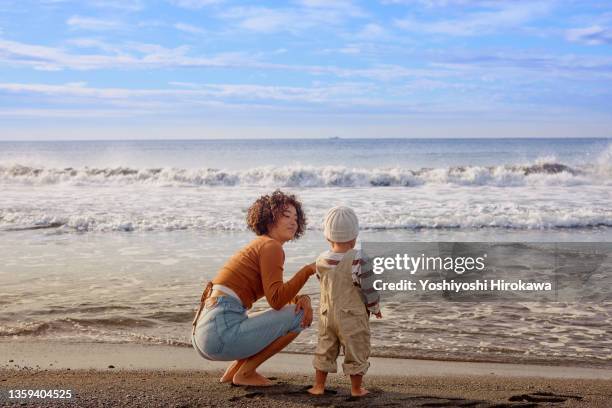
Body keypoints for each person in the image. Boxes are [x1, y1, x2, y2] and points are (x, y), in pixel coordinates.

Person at [192, 190, 316, 386]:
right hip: (220, 332)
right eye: (286, 216)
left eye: (296, 217)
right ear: (269, 218)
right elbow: (276, 301)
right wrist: (308, 270)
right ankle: (246, 372)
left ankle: (235, 372)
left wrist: (303, 298)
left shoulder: (261, 245)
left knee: (294, 310)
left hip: (206, 333)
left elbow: (277, 293)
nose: (294, 222)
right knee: (298, 316)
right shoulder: (271, 247)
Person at [308, 206, 382, 397]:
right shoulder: (359, 259)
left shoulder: (321, 260)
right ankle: (356, 389)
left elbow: (323, 282)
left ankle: (318, 386)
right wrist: (374, 307)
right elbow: (369, 288)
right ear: (355, 235)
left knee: (325, 348)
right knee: (356, 349)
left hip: (326, 315)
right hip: (352, 316)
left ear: (327, 237)